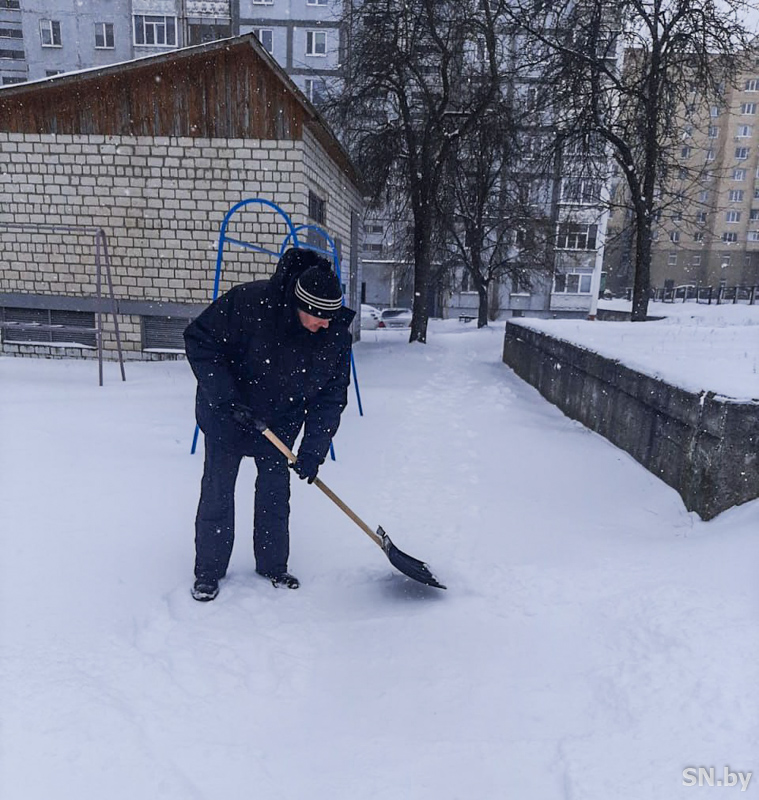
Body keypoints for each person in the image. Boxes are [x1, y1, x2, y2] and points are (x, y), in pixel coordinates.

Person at [183, 247, 355, 601]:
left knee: (274, 494)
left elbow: (330, 397)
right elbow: (199, 339)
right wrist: (228, 398)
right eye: (319, 317)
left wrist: (313, 451)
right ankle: (209, 571)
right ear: (300, 306)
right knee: (218, 491)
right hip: (228, 414)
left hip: (280, 422)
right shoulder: (250, 303)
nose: (326, 324)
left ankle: (273, 565)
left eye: (331, 318)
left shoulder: (333, 334)